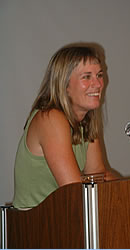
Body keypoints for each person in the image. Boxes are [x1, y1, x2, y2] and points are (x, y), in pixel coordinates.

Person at [13, 45, 117, 209]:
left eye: (99, 75)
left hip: (63, 221)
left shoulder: (85, 121)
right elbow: (74, 190)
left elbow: (97, 175)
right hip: (35, 227)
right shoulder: (50, 118)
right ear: (65, 85)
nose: (97, 84)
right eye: (86, 77)